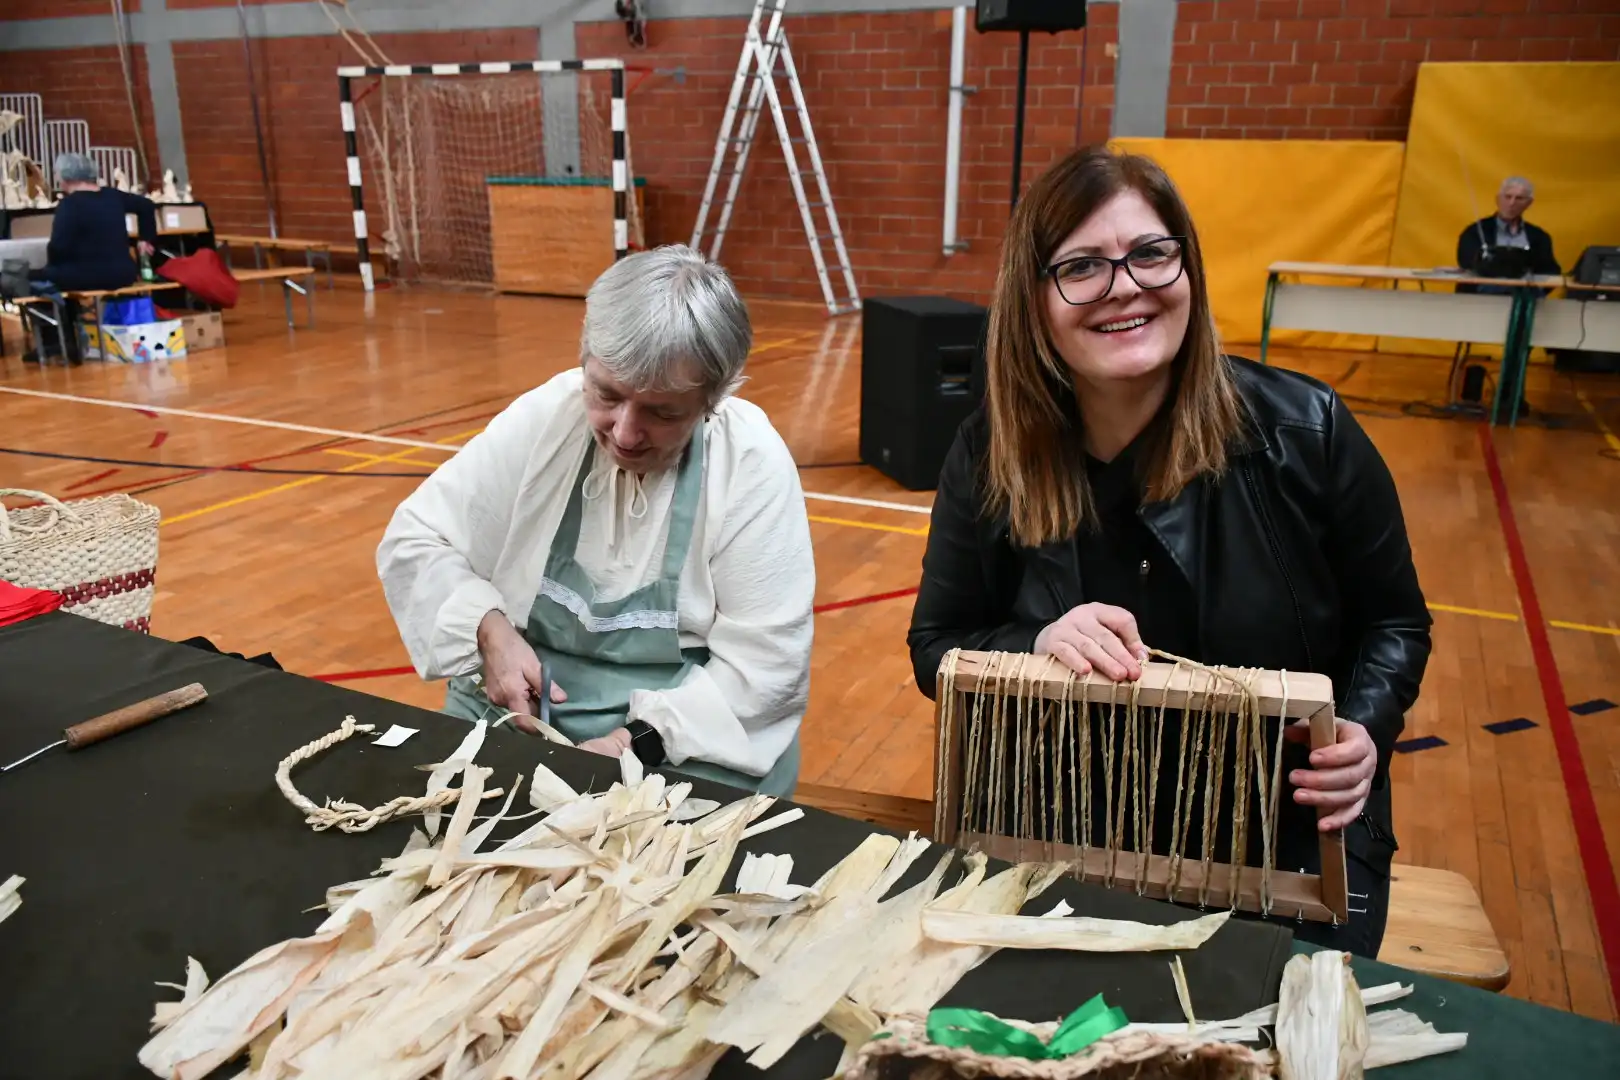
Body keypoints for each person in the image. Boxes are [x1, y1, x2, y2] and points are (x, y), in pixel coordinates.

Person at [906, 146, 1432, 956]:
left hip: (1286, 836)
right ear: (1035, 299)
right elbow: (935, 647)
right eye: (1082, 266)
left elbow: (1395, 621)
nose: (1125, 287)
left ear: (1187, 267)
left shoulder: (1307, 429)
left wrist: (1365, 727)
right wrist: (1037, 644)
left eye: (1150, 253)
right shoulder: (991, 451)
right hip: (1073, 825)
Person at [377, 245, 814, 797]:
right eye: (606, 394)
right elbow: (417, 540)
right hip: (524, 711)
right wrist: (488, 631)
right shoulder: (546, 419)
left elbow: (766, 669)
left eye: (664, 412)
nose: (626, 434)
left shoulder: (748, 460)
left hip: (687, 736)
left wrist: (634, 744)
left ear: (713, 399)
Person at [21, 152, 159, 363]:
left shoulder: (69, 206)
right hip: (123, 272)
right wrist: (145, 239)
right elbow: (147, 206)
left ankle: (58, 342)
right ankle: (68, 337)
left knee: (33, 278)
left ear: (66, 178)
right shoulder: (113, 196)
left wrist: (52, 266)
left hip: (87, 275)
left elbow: (59, 247)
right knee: (57, 276)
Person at [1456, 176, 1561, 280]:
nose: (1512, 203)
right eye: (1507, 197)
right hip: (1482, 294)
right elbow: (1467, 264)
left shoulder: (1539, 237)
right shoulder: (1475, 231)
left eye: (1519, 198)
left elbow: (1550, 271)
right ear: (1497, 199)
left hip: (1525, 294)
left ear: (1529, 203)